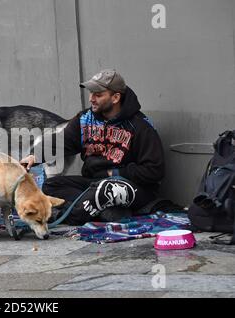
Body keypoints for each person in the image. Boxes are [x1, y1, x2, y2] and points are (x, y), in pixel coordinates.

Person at [20, 69, 165, 225]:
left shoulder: (140, 126)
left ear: (115, 97)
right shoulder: (85, 119)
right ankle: (105, 211)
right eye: (91, 93)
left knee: (105, 189)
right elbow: (63, 140)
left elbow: (155, 170)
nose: (91, 99)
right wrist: (35, 156)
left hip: (132, 187)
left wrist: (115, 172)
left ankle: (69, 216)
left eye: (98, 94)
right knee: (52, 185)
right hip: (94, 183)